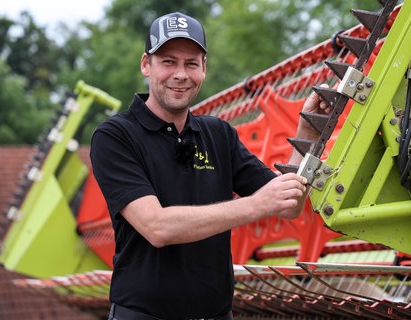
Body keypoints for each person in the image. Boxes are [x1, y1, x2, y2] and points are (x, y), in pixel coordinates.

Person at [90, 11, 331, 320]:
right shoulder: (115, 136)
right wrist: (256, 205)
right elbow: (157, 227)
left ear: (204, 68)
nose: (180, 74)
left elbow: (288, 205)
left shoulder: (218, 134)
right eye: (168, 62)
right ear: (145, 65)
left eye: (191, 63)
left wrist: (308, 134)